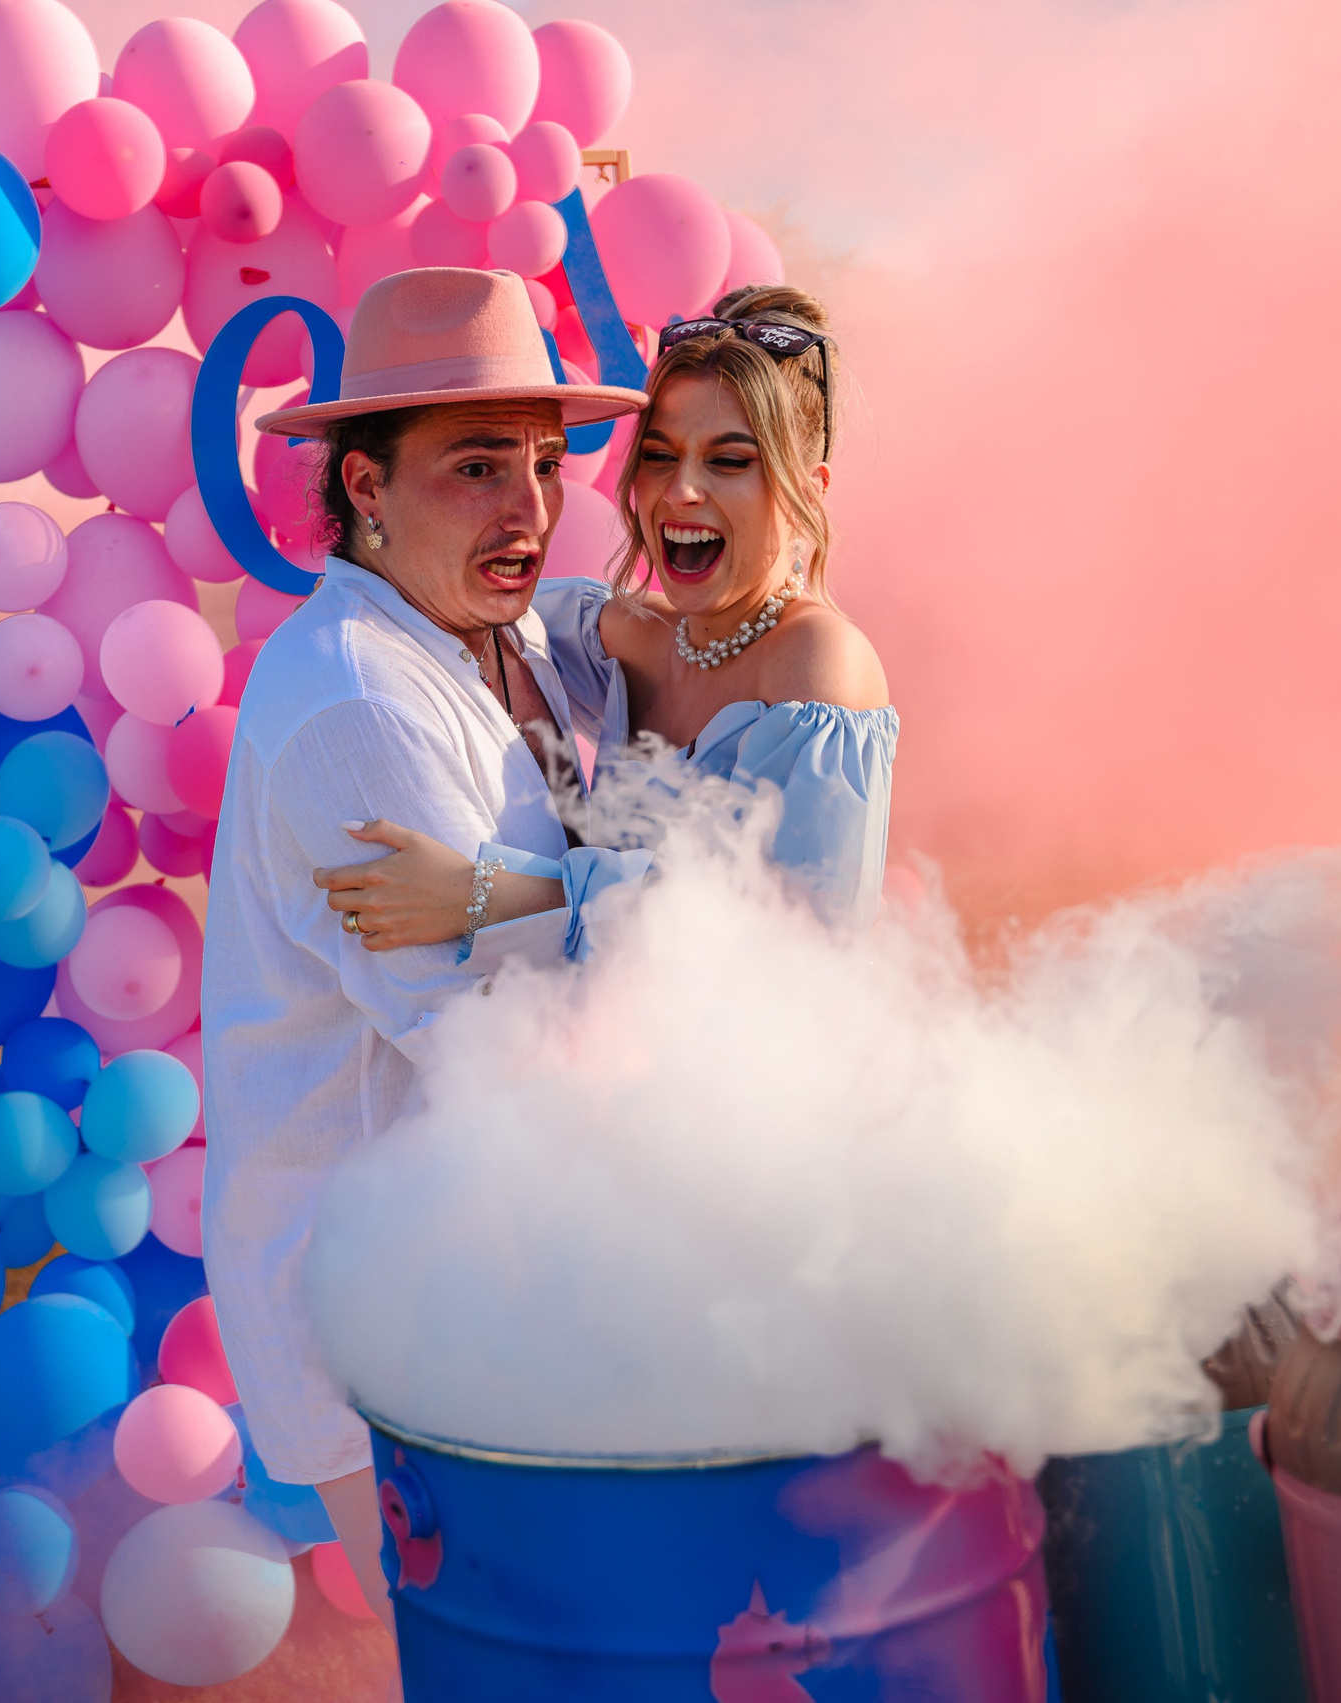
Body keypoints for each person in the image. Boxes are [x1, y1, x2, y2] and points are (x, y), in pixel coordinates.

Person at [197, 268, 646, 1624]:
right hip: (401, 1320)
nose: (529, 506)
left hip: (485, 1280)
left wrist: (516, 887)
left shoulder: (491, 640)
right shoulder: (359, 701)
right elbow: (497, 1047)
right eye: (474, 466)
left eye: (546, 462)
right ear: (363, 487)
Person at [313, 285, 896, 957]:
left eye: (729, 460)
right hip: (596, 1050)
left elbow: (787, 939)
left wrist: (485, 895)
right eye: (659, 455)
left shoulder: (819, 662)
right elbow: (442, 593)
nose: (680, 490)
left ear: (808, 493)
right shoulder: (614, 635)